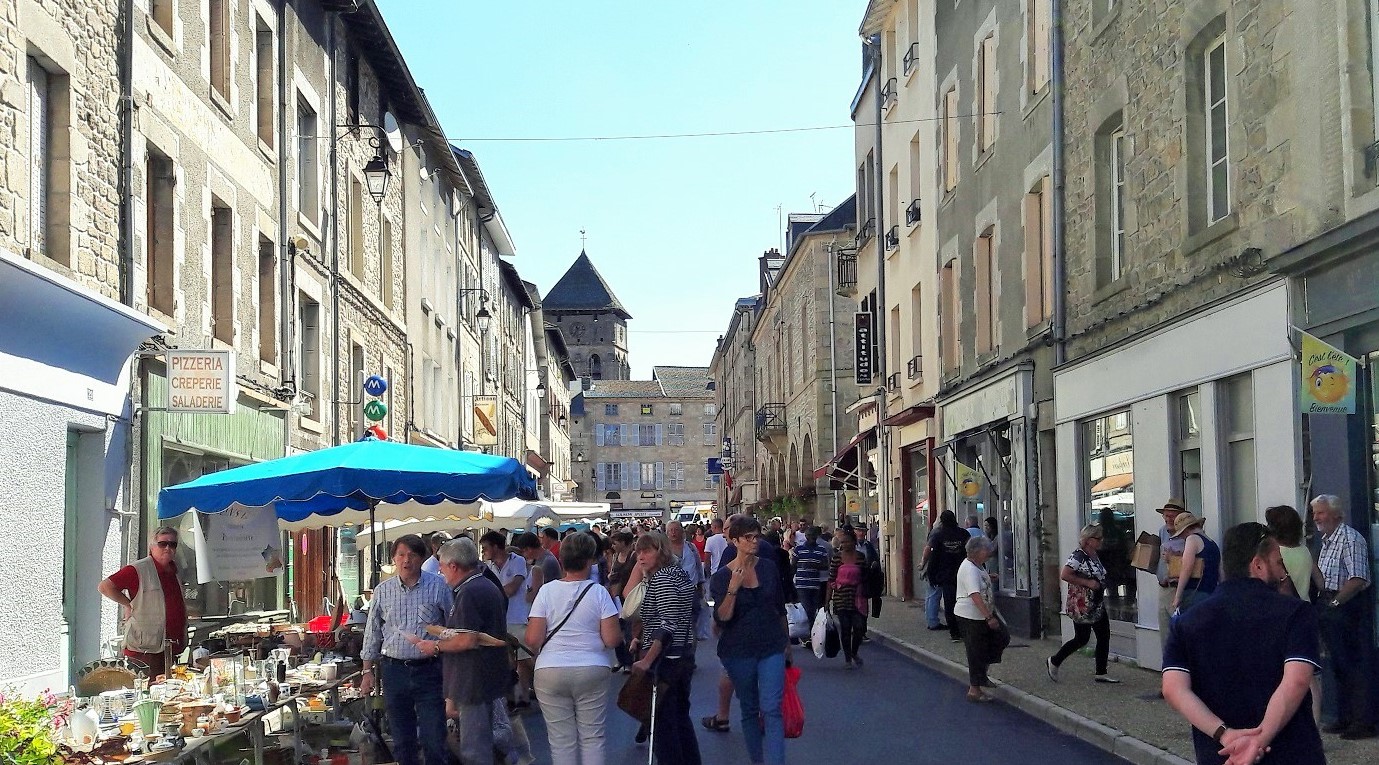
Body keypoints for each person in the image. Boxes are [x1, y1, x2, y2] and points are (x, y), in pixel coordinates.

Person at [1162, 523, 1324, 764]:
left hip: (1222, 755)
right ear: (1258, 565)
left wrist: (1225, 734)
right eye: (1279, 563)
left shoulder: (1186, 623)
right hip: (1291, 752)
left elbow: (1173, 689)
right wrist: (1259, 739)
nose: (1283, 573)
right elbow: (1297, 681)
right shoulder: (1296, 614)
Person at [525, 533, 621, 765]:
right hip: (592, 667)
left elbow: (533, 638)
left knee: (561, 741)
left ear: (562, 561)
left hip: (551, 669)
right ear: (590, 561)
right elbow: (612, 639)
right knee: (592, 737)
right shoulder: (599, 593)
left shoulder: (546, 592)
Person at [417, 537, 515, 765]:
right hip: (482, 677)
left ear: (453, 566)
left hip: (474, 680)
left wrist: (435, 646)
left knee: (475, 748)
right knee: (478, 742)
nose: (440, 572)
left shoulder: (471, 591)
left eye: (441, 566)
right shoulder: (482, 585)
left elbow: (467, 639)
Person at [358, 534, 452, 765]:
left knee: (433, 737)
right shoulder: (383, 591)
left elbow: (452, 626)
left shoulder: (438, 586)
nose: (406, 560)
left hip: (430, 670)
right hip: (394, 670)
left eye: (412, 555)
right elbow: (373, 632)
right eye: (401, 555)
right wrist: (367, 671)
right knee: (402, 739)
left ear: (422, 558)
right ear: (393, 559)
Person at [710, 515, 788, 765]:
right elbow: (722, 618)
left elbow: (779, 607)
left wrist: (786, 645)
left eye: (757, 536)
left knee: (772, 708)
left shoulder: (768, 567)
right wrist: (734, 587)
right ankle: (758, 760)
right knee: (750, 709)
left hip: (771, 645)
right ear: (734, 541)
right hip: (738, 650)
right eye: (748, 537)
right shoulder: (722, 577)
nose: (754, 542)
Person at [630, 532, 701, 764]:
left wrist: (647, 660)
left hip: (667, 659)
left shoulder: (663, 578)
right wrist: (642, 637)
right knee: (679, 719)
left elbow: (667, 623)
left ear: (660, 551)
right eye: (639, 551)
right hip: (682, 653)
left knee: (663, 725)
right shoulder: (677, 573)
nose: (641, 556)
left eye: (647, 550)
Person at [1311, 494, 1375, 739]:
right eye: (1315, 513)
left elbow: (1357, 578)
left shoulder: (1350, 539)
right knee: (1337, 664)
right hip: (1328, 602)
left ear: (1336, 514)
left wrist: (1336, 603)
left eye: (1321, 512)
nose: (1316, 517)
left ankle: (1362, 722)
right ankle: (1345, 717)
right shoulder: (1326, 540)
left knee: (1353, 664)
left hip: (1346, 604)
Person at [98, 526, 188, 679]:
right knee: (147, 694)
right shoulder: (138, 569)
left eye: (172, 544)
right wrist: (128, 604)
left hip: (168, 648)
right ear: (152, 546)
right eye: (163, 544)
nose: (168, 548)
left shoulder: (173, 570)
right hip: (144, 651)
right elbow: (105, 587)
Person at [1263, 505, 1322, 724]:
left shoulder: (1273, 554)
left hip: (1277, 615)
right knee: (1309, 677)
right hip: (1303, 612)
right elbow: (1321, 582)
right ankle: (1314, 727)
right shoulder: (1304, 551)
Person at [1047, 524, 1118, 683]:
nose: (1101, 541)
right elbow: (1065, 574)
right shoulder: (1078, 556)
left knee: (1102, 635)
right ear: (1088, 540)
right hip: (1083, 604)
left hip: (1096, 602)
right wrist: (1087, 582)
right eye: (1098, 538)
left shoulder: (1094, 555)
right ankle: (1055, 660)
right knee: (1082, 638)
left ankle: (1101, 671)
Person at [480, 531, 532, 710]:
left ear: (495, 547)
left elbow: (512, 588)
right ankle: (512, 698)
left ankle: (523, 696)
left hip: (517, 617)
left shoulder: (517, 561)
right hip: (500, 620)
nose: (483, 551)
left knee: (523, 660)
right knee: (506, 661)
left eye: (485, 547)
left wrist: (491, 595)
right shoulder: (488, 567)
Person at [955, 536, 1005, 703]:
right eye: (986, 551)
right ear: (977, 551)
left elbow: (977, 583)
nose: (989, 554)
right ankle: (974, 689)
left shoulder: (977, 566)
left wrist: (989, 577)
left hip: (981, 613)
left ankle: (981, 676)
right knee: (976, 650)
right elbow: (974, 595)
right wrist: (988, 617)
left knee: (1000, 638)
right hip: (971, 615)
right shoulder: (969, 568)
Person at [923, 510, 971, 640]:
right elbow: (971, 552)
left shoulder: (938, 535)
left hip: (946, 575)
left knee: (950, 604)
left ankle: (954, 632)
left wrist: (931, 573)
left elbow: (934, 556)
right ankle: (964, 630)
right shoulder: (963, 533)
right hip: (963, 573)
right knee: (964, 602)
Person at [1153, 500, 1188, 652]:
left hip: (1179, 589)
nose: (1168, 519)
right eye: (1165, 516)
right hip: (1163, 588)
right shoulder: (1162, 531)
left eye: (1172, 516)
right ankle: (1168, 670)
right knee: (1165, 635)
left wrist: (1174, 559)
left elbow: (1193, 564)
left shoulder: (1188, 536)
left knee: (1180, 633)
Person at [827, 540, 867, 668]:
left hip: (858, 597)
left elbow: (865, 576)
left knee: (859, 628)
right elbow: (831, 578)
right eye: (842, 542)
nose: (845, 544)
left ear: (853, 542)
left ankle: (854, 652)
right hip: (841, 598)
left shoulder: (860, 557)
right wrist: (827, 601)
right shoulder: (837, 558)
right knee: (845, 629)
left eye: (847, 541)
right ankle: (847, 659)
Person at [1171, 513, 1220, 616]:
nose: (1181, 538)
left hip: (1195, 594)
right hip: (1211, 593)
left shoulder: (1192, 539)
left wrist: (1178, 596)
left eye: (1181, 535)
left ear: (1185, 530)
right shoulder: (1212, 544)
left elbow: (1186, 568)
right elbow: (1220, 571)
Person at [792, 526, 829, 629]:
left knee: (813, 609)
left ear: (816, 536)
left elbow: (826, 566)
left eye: (813, 536)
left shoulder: (821, 550)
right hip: (802, 584)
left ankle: (813, 632)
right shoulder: (799, 549)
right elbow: (793, 565)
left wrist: (814, 566)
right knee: (806, 608)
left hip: (815, 584)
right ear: (806, 536)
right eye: (809, 536)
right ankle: (809, 631)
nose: (811, 538)